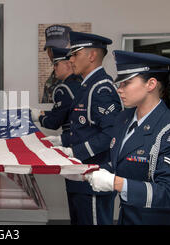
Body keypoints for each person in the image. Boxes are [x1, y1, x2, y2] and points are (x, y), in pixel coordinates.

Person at [85, 50, 170, 225]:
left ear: (151, 84)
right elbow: (121, 162)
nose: (119, 90)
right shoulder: (124, 118)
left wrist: (117, 183)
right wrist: (84, 170)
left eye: (126, 83)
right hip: (128, 217)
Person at [52, 31, 122, 225]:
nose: (71, 59)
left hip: (93, 174)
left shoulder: (102, 89)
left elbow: (111, 134)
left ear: (91, 56)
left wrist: (74, 151)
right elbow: (82, 128)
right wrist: (61, 141)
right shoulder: (86, 86)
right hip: (79, 173)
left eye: (75, 54)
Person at [36, 47, 82, 147]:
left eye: (56, 64)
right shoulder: (81, 82)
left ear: (68, 64)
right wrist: (42, 112)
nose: (54, 68)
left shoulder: (64, 89)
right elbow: (65, 111)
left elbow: (54, 123)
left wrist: (38, 117)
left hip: (72, 140)